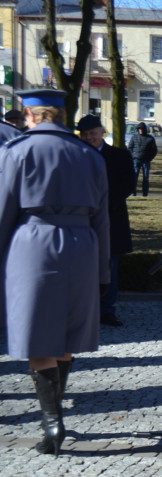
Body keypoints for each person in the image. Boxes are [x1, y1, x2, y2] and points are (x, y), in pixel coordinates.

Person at [0, 89, 110, 456]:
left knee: (38, 336)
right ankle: (56, 415)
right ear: (61, 116)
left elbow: (3, 211)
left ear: (31, 117)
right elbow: (102, 216)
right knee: (67, 333)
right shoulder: (89, 154)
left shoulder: (16, 151)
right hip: (83, 243)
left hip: (34, 243)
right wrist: (103, 268)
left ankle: (52, 422)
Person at [77, 115, 134, 327]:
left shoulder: (120, 156)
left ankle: (107, 310)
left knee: (110, 266)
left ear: (102, 132)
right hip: (82, 220)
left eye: (93, 133)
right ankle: (85, 311)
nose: (89, 137)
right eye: (85, 135)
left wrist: (102, 205)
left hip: (112, 218)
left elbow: (127, 185)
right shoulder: (76, 155)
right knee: (83, 268)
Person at [126, 122, 158, 197]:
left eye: (142, 129)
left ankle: (145, 194)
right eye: (139, 129)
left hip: (146, 160)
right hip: (136, 160)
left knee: (146, 178)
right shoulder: (134, 137)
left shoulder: (150, 138)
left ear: (145, 129)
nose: (140, 130)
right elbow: (130, 148)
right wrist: (133, 156)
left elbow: (154, 151)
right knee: (134, 177)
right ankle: (133, 193)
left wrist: (149, 158)